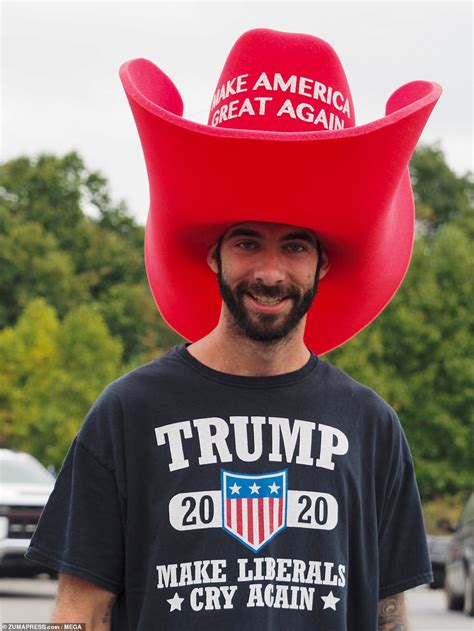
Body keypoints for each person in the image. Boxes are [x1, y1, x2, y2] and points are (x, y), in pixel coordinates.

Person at [25, 29, 442, 630]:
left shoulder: (371, 426)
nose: (270, 272)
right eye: (248, 242)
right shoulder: (127, 413)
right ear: (213, 255)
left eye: (295, 246)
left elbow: (390, 616)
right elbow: (79, 613)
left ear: (323, 262)